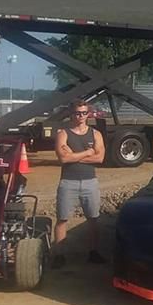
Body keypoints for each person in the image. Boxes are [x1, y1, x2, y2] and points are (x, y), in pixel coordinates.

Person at [53, 101, 106, 267]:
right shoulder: (63, 134)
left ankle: (93, 252)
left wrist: (74, 156)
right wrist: (89, 152)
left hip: (90, 182)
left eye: (84, 113)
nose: (81, 116)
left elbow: (100, 158)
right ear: (72, 114)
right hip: (68, 182)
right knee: (62, 219)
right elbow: (63, 158)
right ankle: (59, 254)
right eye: (77, 113)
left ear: (88, 114)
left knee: (93, 219)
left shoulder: (96, 134)